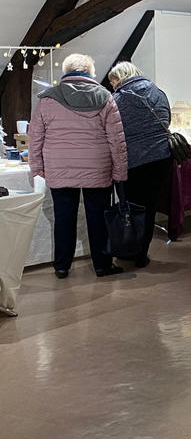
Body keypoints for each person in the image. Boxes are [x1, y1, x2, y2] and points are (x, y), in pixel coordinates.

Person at [27, 54, 128, 278]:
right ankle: (102, 265)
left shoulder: (47, 98)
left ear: (66, 71)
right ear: (90, 72)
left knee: (63, 217)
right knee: (98, 217)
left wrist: (37, 168)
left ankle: (62, 266)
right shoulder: (105, 97)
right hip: (97, 168)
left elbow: (35, 138)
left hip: (59, 168)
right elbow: (116, 140)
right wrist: (120, 172)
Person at [109, 62, 172, 268]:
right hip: (160, 158)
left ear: (119, 78)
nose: (113, 86)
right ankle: (141, 253)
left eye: (113, 82)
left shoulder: (117, 99)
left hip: (132, 161)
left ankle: (129, 249)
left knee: (131, 207)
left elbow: (112, 131)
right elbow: (167, 120)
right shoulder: (158, 93)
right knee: (150, 206)